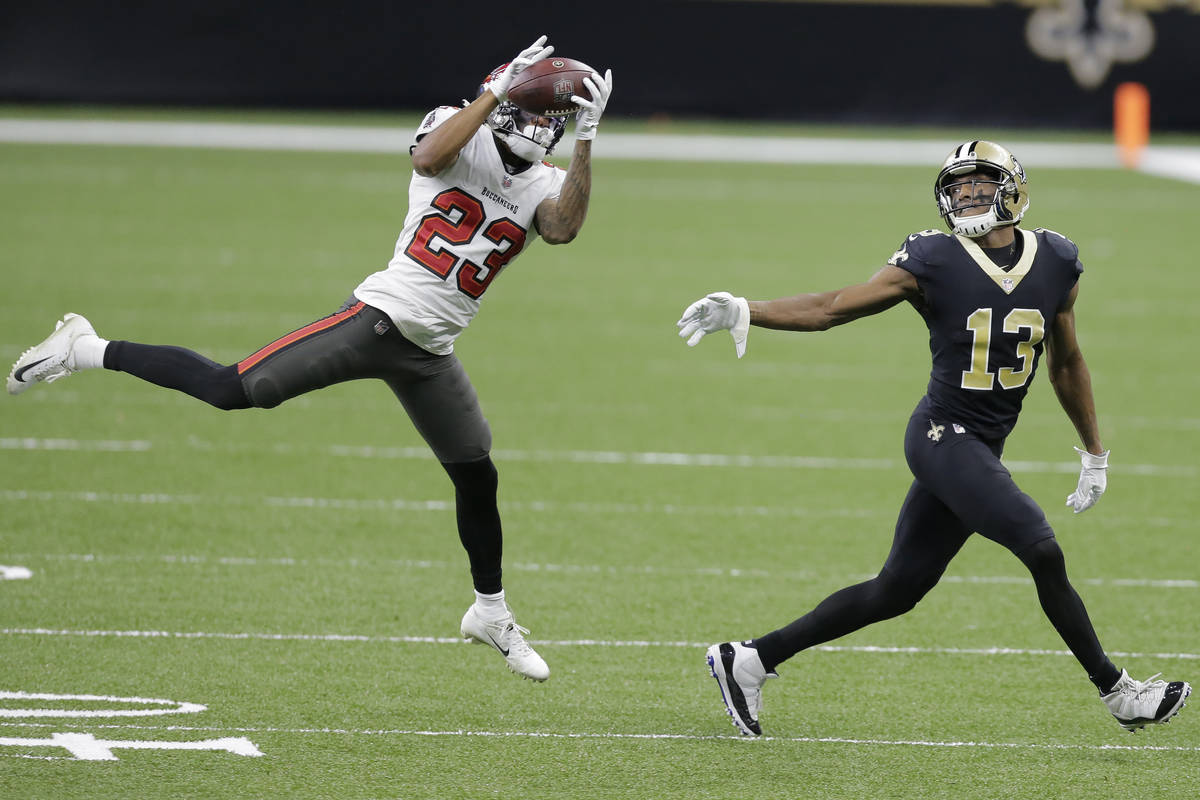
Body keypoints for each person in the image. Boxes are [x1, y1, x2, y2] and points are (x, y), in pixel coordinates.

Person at [7, 35, 614, 683]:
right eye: (545, 115)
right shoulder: (454, 126)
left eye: (556, 121)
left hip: (431, 353)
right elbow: (428, 157)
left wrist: (588, 137)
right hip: (375, 321)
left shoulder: (546, 182)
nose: (547, 130)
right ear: (506, 102)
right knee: (233, 388)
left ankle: (490, 612)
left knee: (477, 474)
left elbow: (562, 228)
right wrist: (495, 90)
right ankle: (87, 346)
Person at [676, 140, 1191, 735]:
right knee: (1041, 546)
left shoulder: (1057, 258)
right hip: (942, 435)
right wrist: (748, 309)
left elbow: (1067, 360)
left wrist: (1094, 452)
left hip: (981, 447)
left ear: (1013, 188)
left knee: (895, 590)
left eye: (980, 183)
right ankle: (1119, 691)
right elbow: (834, 305)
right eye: (959, 186)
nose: (968, 195)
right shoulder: (932, 258)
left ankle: (749, 660)